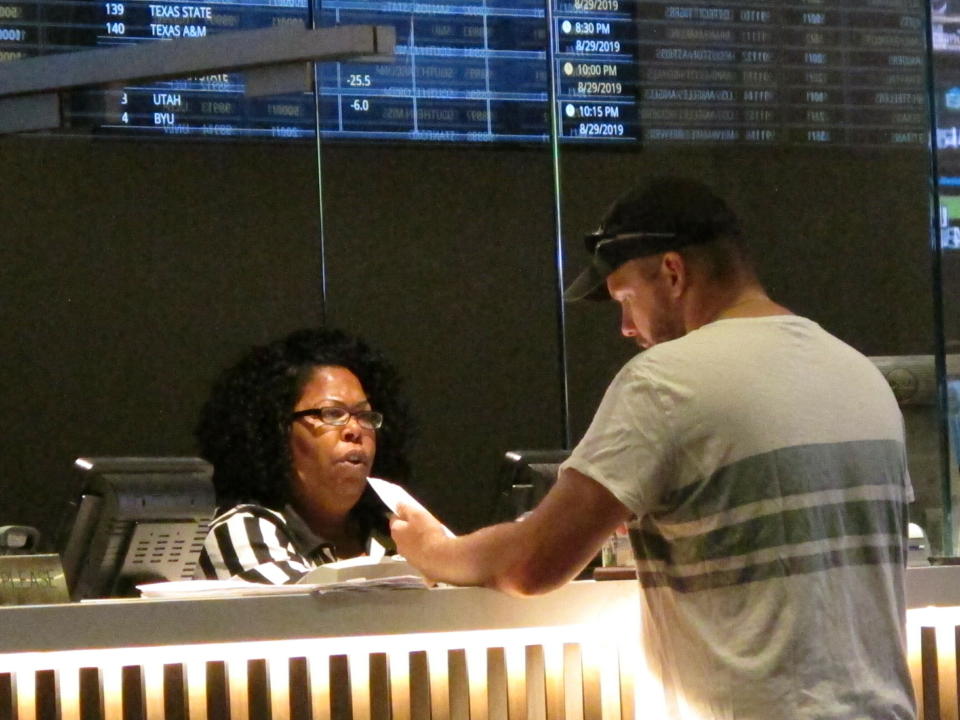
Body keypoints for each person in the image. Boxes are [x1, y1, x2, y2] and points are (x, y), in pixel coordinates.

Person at [390, 177, 916, 719]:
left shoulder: (666, 382)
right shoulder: (860, 374)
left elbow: (532, 565)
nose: (624, 327)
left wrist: (434, 550)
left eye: (624, 298)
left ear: (672, 272)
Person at [195, 327, 414, 584]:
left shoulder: (395, 533)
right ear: (275, 431)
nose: (354, 429)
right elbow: (313, 618)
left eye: (365, 416)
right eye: (331, 414)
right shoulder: (240, 531)